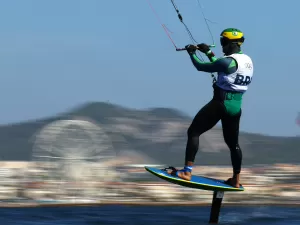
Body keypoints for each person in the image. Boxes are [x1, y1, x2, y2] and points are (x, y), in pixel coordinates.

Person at [167, 28, 254, 188]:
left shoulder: (227, 61)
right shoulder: (247, 61)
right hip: (236, 107)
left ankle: (187, 172)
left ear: (230, 43)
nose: (221, 45)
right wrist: (208, 51)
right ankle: (236, 180)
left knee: (193, 132)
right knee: (233, 144)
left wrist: (191, 53)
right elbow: (221, 65)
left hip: (220, 104)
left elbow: (202, 66)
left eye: (223, 42)